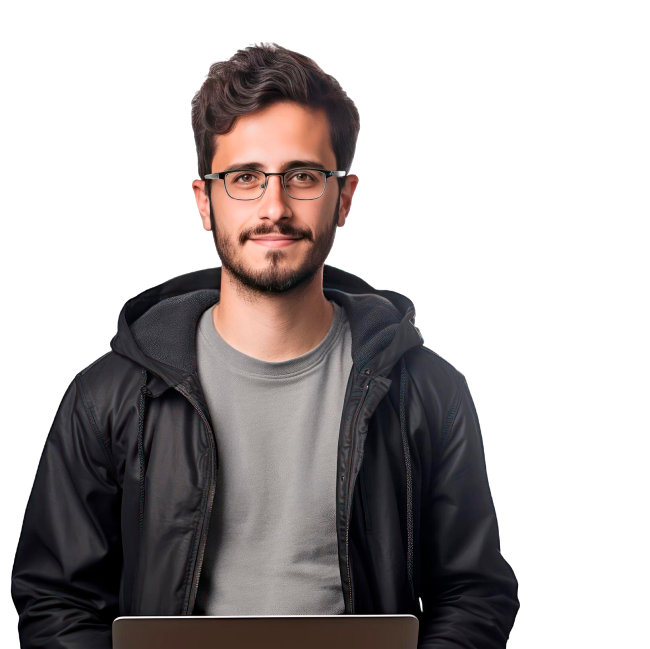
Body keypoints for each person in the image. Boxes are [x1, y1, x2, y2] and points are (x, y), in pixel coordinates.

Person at [11, 42, 519, 648]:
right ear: (204, 201)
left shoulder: (429, 391)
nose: (274, 207)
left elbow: (474, 594)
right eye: (245, 178)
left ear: (345, 197)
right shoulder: (108, 397)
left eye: (303, 176)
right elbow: (53, 602)